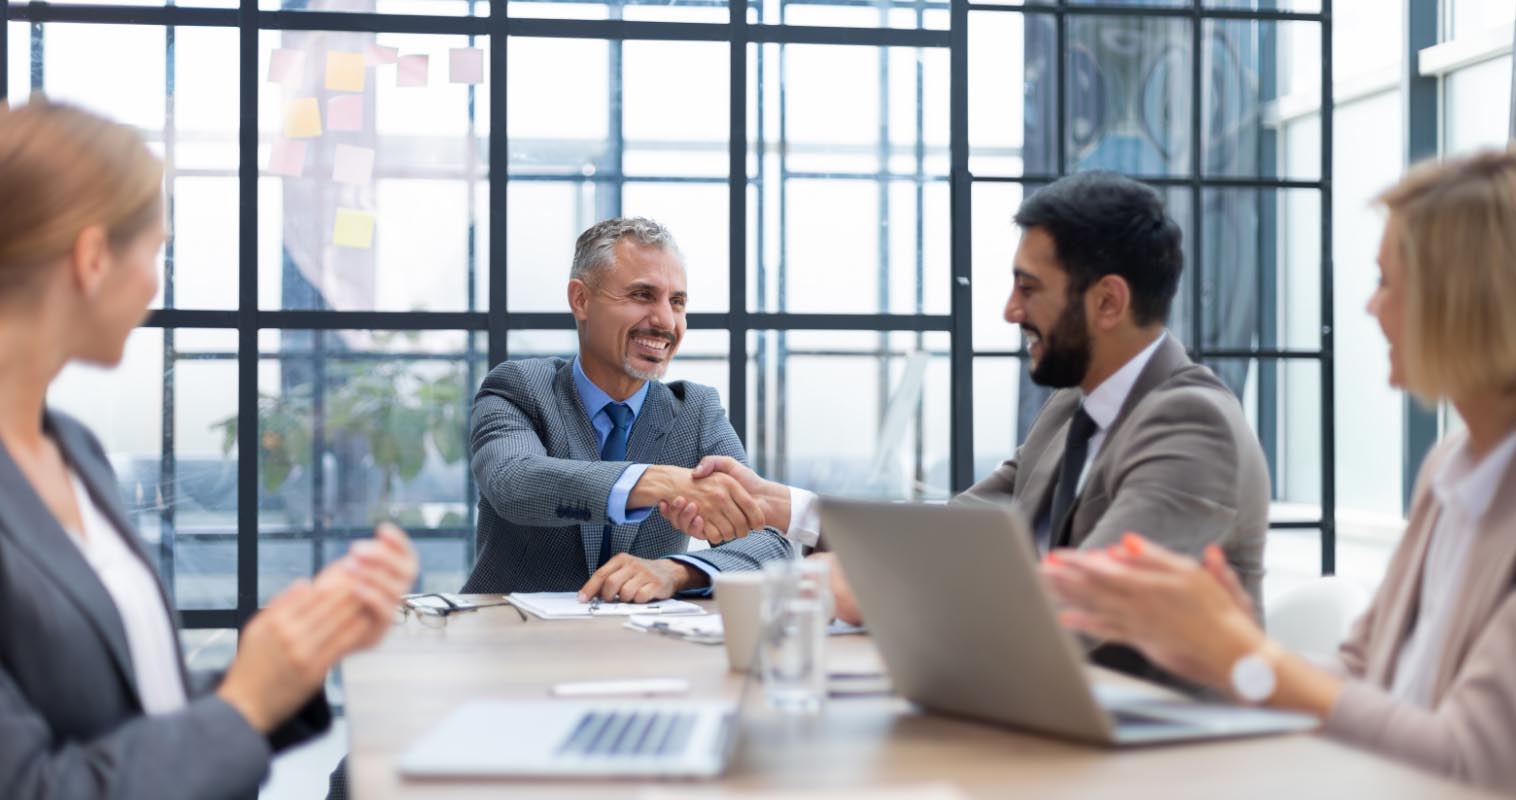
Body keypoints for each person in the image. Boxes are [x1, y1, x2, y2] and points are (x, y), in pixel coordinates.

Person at [1039, 149, 1516, 792]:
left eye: (1386, 281)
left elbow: (1473, 766)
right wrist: (1222, 652)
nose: (1370, 307)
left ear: (1463, 301)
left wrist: (1245, 656)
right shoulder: (1450, 469)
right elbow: (1361, 671)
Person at [0, 98, 418, 799]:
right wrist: (246, 702)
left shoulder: (71, 449)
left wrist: (293, 660)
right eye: (155, 252)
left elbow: (139, 706)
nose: (156, 283)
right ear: (93, 258)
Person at [662, 171, 1270, 639]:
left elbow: (1089, 604)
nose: (1010, 310)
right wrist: (780, 507)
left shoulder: (1194, 424)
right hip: (1043, 716)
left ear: (1108, 302)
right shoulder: (1071, 410)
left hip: (1157, 743)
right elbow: (957, 529)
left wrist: (880, 589)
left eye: (1029, 288)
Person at [460, 217, 793, 602]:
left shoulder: (696, 412)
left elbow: (768, 540)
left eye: (677, 302)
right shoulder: (519, 388)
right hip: (508, 632)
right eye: (642, 295)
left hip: (642, 637)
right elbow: (513, 482)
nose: (665, 321)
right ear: (581, 300)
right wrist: (662, 483)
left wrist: (677, 571)